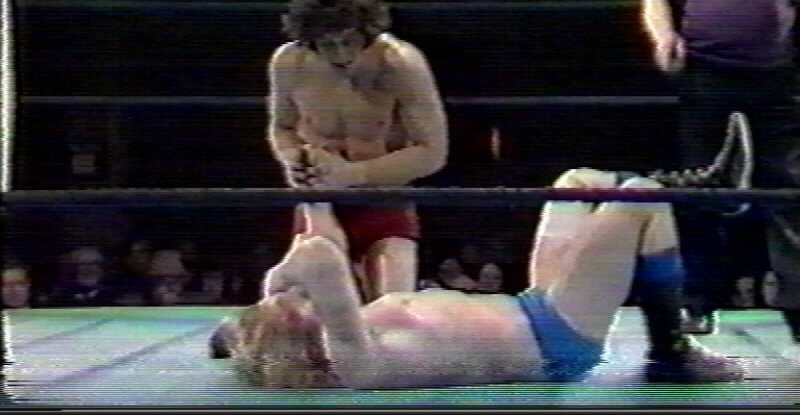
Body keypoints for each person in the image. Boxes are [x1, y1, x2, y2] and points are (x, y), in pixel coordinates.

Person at [210, 119, 751, 388]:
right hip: (557, 338)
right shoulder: (353, 358)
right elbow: (319, 253)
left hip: (533, 305)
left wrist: (253, 318)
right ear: (300, 331)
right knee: (638, 200)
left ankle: (703, 194)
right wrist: (279, 281)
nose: (299, 297)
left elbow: (313, 255)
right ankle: (672, 349)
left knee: (575, 183)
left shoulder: (347, 338)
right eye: (295, 306)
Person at [641, 0, 800, 340]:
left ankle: (798, 306)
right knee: (700, 185)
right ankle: (699, 299)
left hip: (776, 74)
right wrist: (664, 35)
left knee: (788, 187)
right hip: (706, 73)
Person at [266, 0, 448, 302]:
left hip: (384, 199)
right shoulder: (289, 61)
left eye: (349, 41)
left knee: (393, 306)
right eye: (327, 45)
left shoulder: (398, 62)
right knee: (305, 306)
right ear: (309, 39)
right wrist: (293, 161)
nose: (341, 55)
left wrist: (352, 174)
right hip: (320, 201)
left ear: (367, 31)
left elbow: (433, 152)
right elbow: (283, 128)